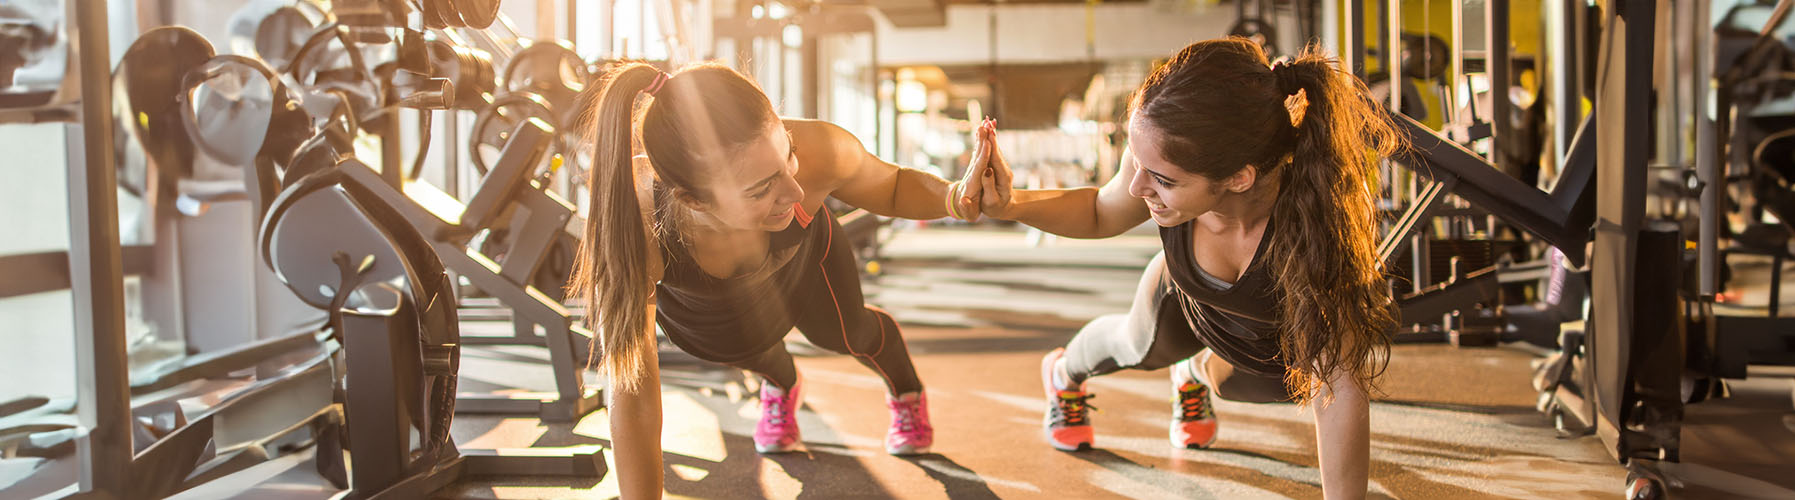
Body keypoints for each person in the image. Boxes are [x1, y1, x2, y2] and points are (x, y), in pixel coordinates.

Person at [971, 39, 1401, 499]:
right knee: (1134, 345)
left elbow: (1339, 382)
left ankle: (1193, 374)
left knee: (1255, 386)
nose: (1138, 187)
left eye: (1162, 180)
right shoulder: (1163, 151)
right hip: (1184, 296)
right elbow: (1099, 211)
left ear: (1239, 178)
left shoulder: (1318, 227)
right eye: (1139, 165)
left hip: (1268, 336)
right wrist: (1011, 204)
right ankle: (1062, 374)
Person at [568, 61, 999, 499]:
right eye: (761, 188)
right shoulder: (634, 217)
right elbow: (633, 390)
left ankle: (906, 392)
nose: (795, 192)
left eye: (787, 153)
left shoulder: (820, 150)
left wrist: (955, 198)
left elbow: (890, 186)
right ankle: (783, 384)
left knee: (846, 333)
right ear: (692, 199)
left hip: (803, 261)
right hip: (704, 310)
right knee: (735, 347)